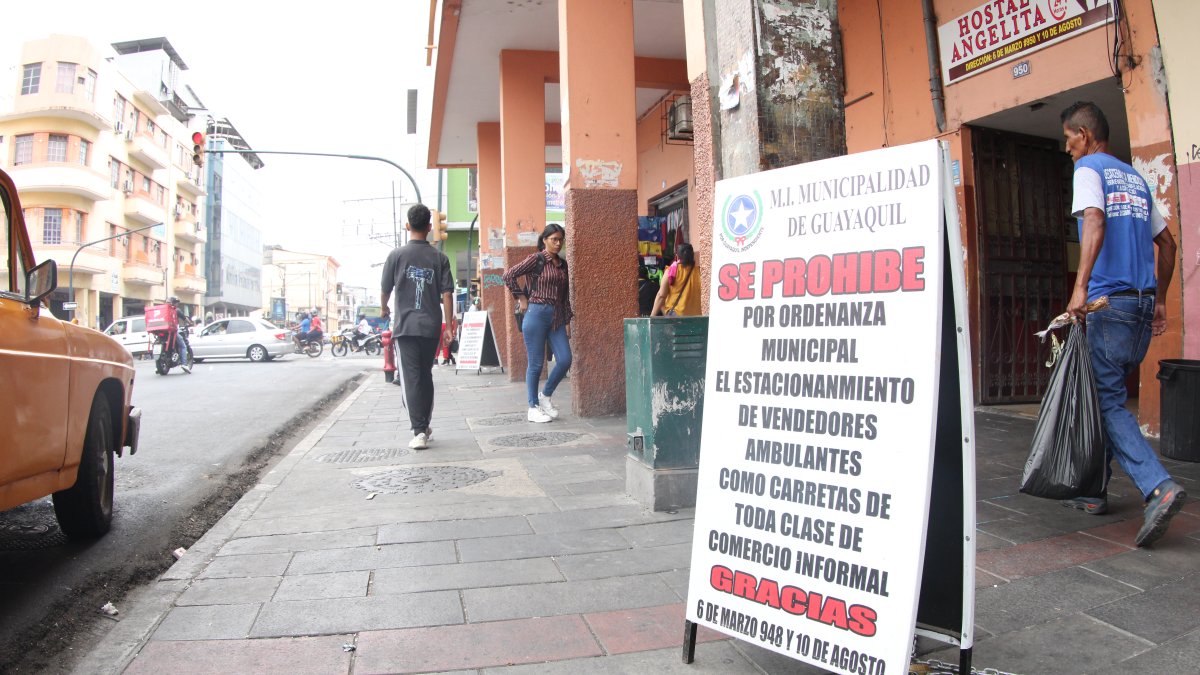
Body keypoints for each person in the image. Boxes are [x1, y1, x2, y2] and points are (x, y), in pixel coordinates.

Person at [1060, 101, 1183, 547]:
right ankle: (1094, 491)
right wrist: (1161, 301)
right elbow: (1167, 244)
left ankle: (1158, 487)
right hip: (1141, 308)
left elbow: (1094, 219)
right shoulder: (1136, 179)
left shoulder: (1088, 169)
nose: (1067, 148)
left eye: (1069, 138)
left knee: (1108, 402)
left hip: (1108, 305)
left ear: (1084, 134)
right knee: (1106, 398)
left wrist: (1080, 288)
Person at [380, 203, 455, 450]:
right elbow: (447, 294)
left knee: (410, 378)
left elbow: (385, 288)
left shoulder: (395, 256)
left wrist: (384, 308)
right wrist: (448, 327)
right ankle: (424, 424)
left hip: (405, 327)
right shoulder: (440, 258)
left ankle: (419, 430)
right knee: (425, 374)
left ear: (407, 226)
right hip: (431, 326)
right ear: (430, 227)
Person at [502, 223, 573, 423]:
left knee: (565, 359)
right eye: (554, 239)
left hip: (557, 317)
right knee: (535, 363)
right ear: (544, 240)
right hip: (536, 314)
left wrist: (567, 320)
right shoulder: (537, 259)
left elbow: (565, 296)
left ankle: (545, 396)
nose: (558, 243)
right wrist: (521, 298)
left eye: (560, 240)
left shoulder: (563, 264)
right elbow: (508, 275)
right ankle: (532, 407)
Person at [651, 243, 701, 316]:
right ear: (692, 256)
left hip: (677, 316)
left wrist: (652, 317)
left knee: (661, 303)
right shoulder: (700, 272)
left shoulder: (670, 271)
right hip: (697, 316)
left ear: (677, 256)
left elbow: (661, 296)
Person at [167, 296, 193, 373]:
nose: (177, 304)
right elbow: (184, 318)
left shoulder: (163, 310)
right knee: (183, 346)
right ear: (174, 303)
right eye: (176, 303)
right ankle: (184, 364)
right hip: (172, 331)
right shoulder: (176, 310)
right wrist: (190, 323)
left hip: (162, 332)